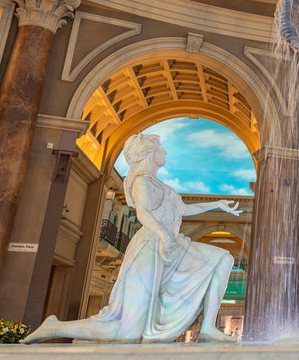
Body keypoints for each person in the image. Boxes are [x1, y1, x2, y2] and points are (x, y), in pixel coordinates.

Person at [22, 133, 241, 343]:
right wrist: (163, 234)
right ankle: (55, 327)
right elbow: (143, 213)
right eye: (160, 148)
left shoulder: (162, 186)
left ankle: (208, 329)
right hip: (151, 245)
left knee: (223, 258)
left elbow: (183, 208)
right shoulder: (141, 183)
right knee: (127, 331)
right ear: (149, 153)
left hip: (173, 244)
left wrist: (218, 204)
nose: (164, 151)